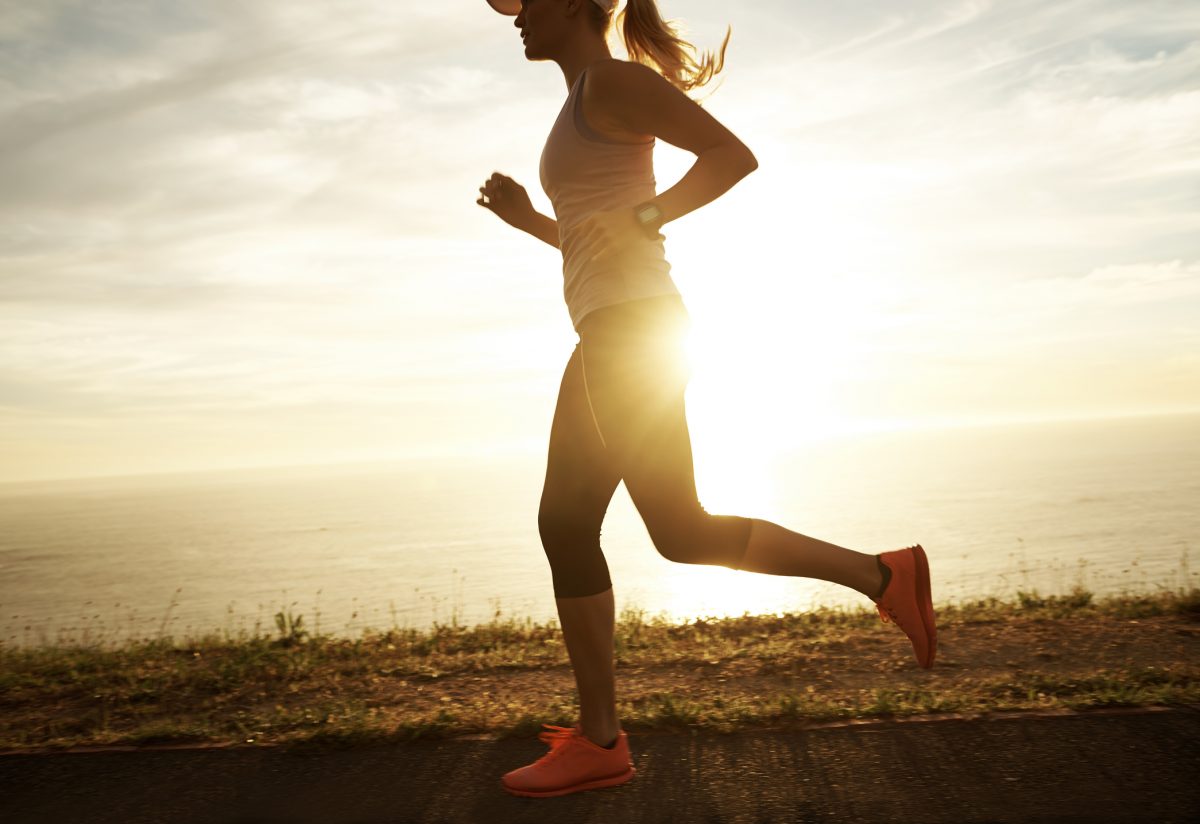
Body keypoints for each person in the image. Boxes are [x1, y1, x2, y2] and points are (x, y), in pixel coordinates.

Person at [476, 0, 936, 798]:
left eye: (524, 1)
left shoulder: (612, 84)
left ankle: (884, 576)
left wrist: (654, 211)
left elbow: (731, 156)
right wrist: (533, 223)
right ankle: (601, 738)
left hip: (632, 332)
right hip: (612, 332)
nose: (513, 16)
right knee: (573, 523)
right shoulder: (582, 99)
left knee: (677, 529)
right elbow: (599, 235)